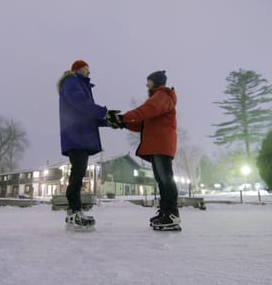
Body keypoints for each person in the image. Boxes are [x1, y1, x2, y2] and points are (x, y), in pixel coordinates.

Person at [107, 70, 181, 231]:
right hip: (157, 144)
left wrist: (123, 117)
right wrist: (122, 123)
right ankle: (165, 212)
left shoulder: (162, 96)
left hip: (161, 143)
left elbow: (145, 110)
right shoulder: (158, 99)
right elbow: (143, 124)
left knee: (166, 179)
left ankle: (172, 214)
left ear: (156, 82)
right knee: (162, 180)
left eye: (149, 81)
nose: (147, 84)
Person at [57, 60, 117, 229]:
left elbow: (89, 114)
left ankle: (73, 212)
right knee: (77, 174)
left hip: (80, 136)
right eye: (86, 70)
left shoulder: (81, 85)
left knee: (79, 172)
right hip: (76, 135)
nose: (88, 73)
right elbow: (82, 106)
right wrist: (105, 111)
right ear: (77, 70)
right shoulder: (71, 82)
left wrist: (109, 121)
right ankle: (74, 211)